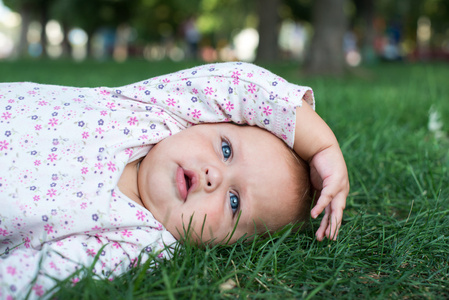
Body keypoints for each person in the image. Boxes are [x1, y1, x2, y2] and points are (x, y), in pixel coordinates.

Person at [0, 62, 349, 298]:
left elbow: (38, 275)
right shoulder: (151, 112)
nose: (214, 176)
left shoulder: (141, 243)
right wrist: (322, 146)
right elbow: (240, 84)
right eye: (226, 150)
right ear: (208, 119)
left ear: (222, 243)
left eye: (234, 202)